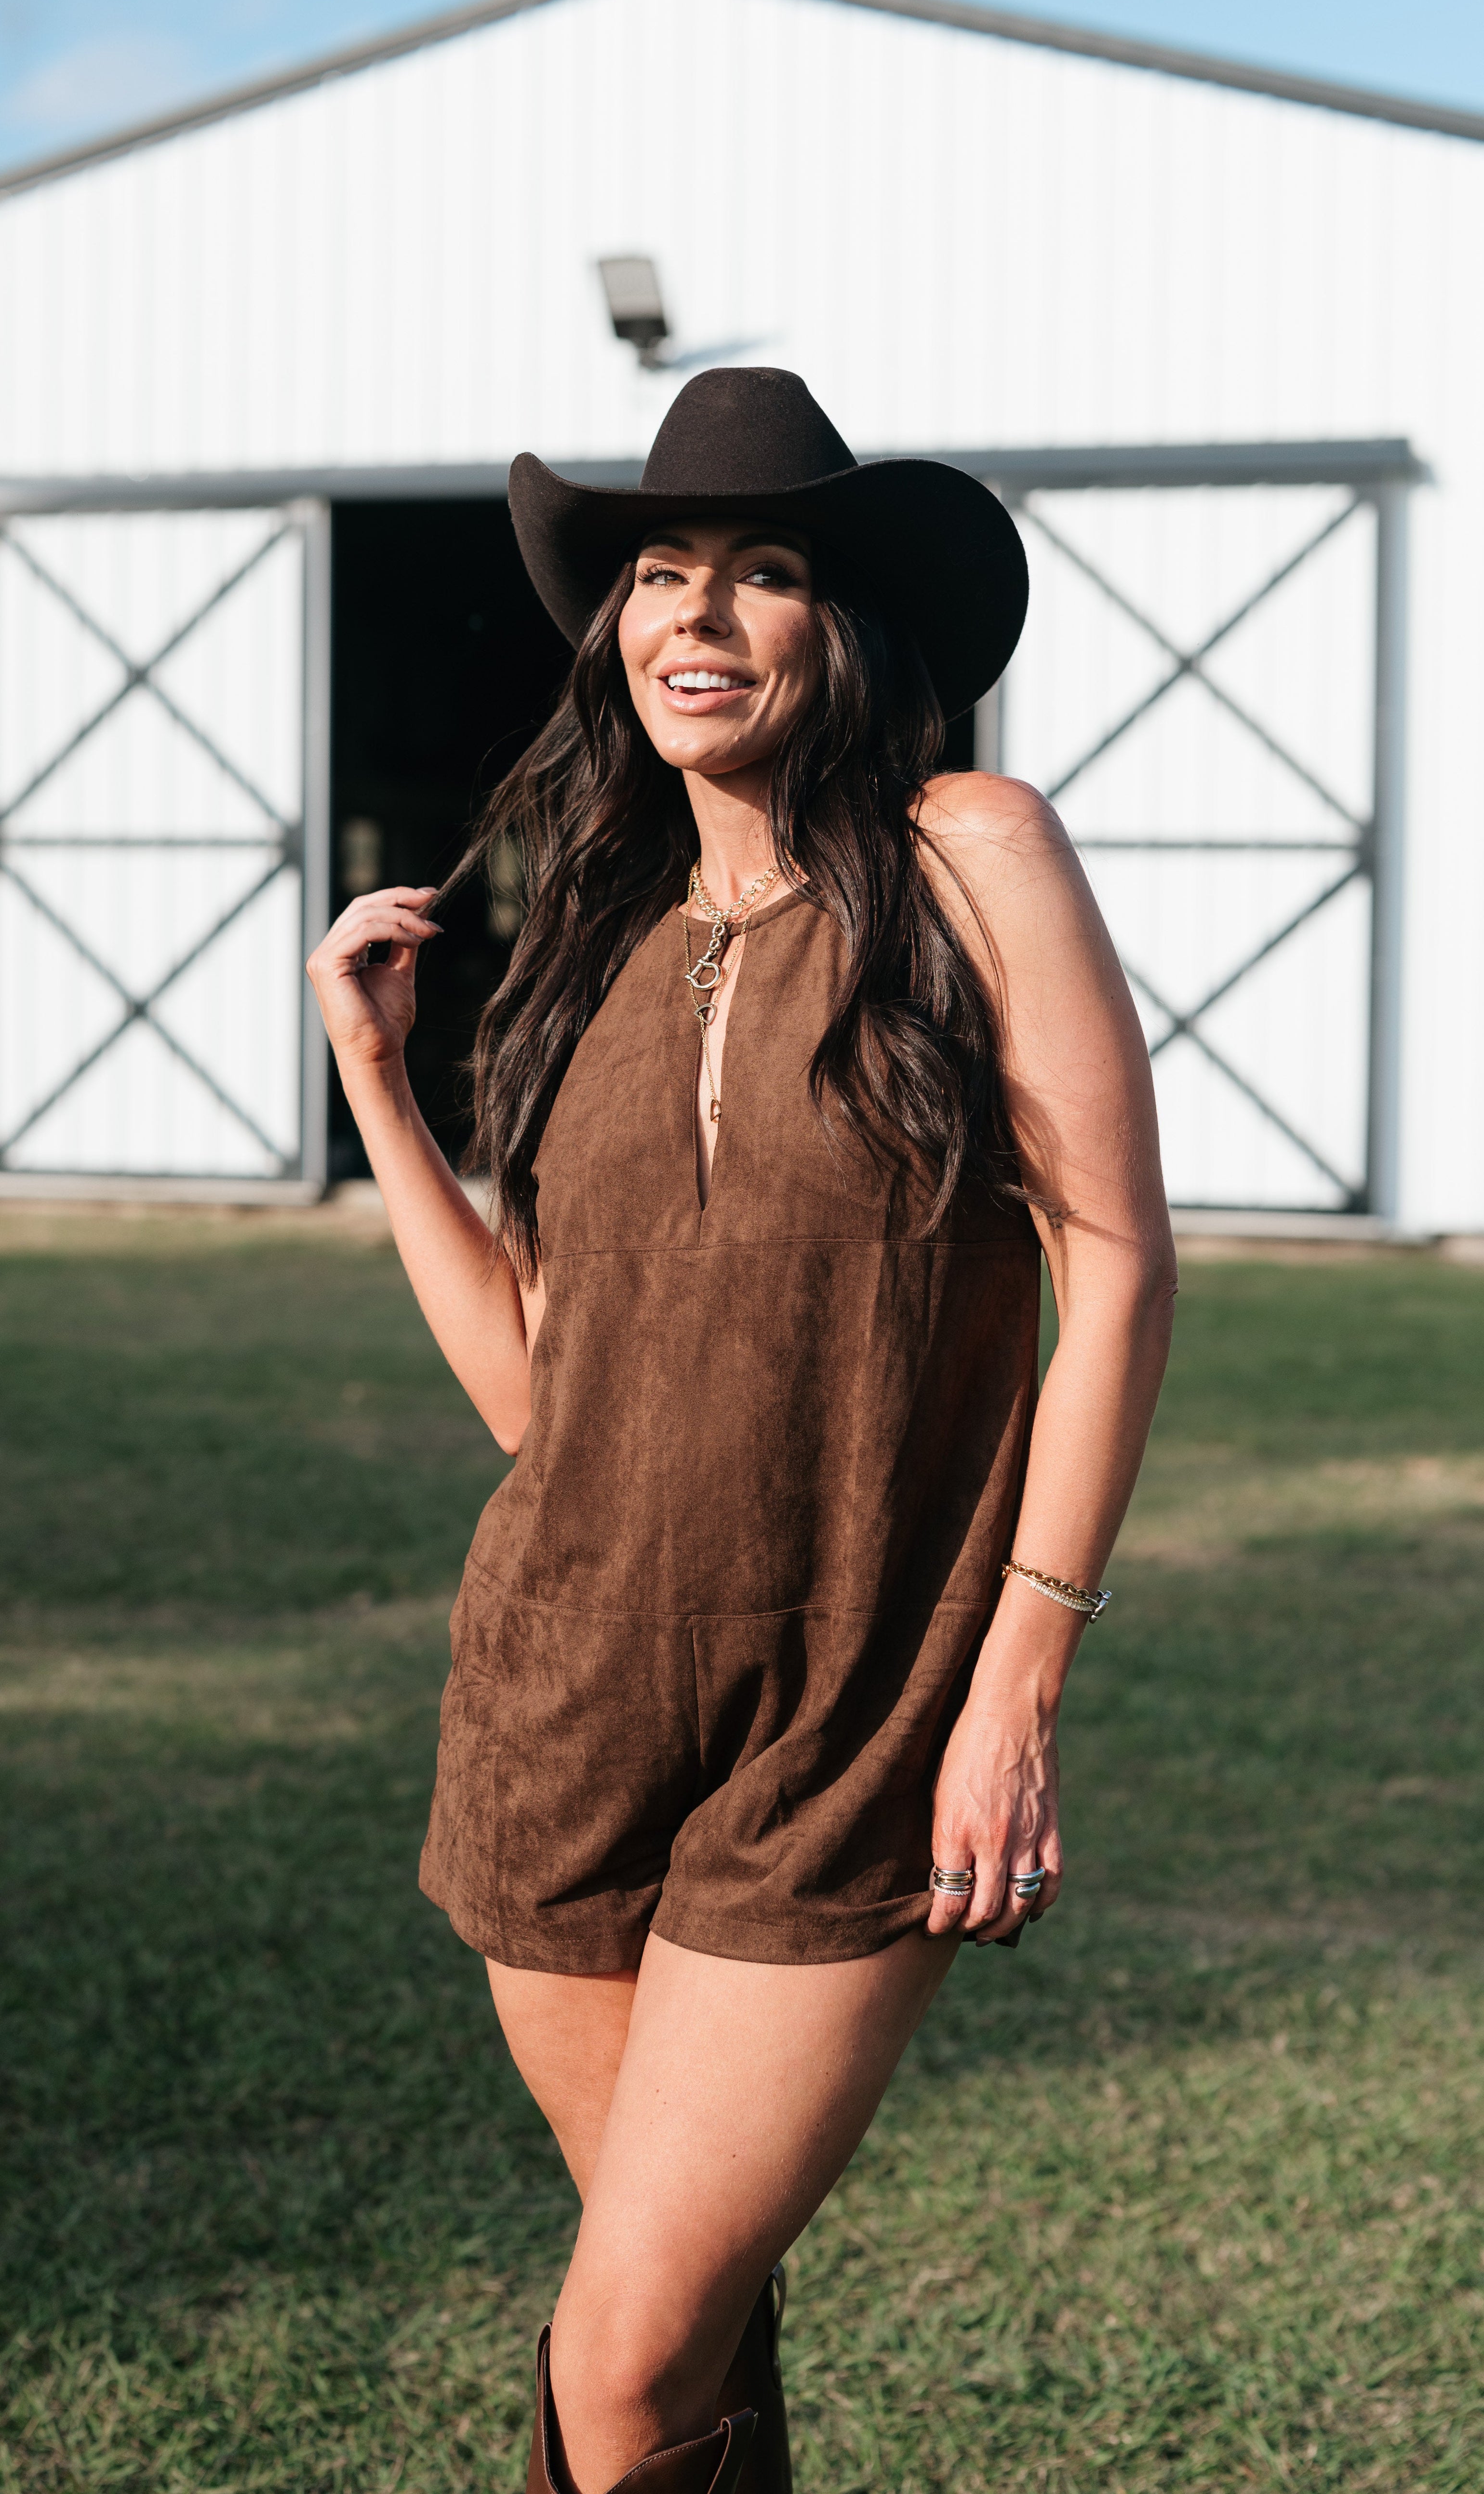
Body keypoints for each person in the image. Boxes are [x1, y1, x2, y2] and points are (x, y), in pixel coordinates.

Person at [306, 368, 1175, 2494]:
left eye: (759, 570)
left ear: (843, 627)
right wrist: (376, 1086)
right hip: (560, 1699)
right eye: (657, 576)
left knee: (618, 2364)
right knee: (676, 2337)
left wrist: (1019, 1676)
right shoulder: (601, 936)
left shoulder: (970, 858)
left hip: (854, 1713)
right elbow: (539, 1381)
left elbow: (1119, 1265)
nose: (695, 614)